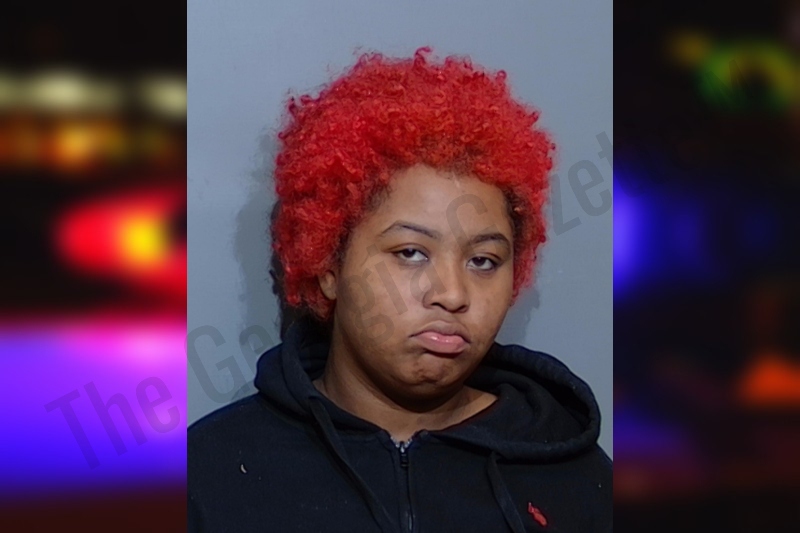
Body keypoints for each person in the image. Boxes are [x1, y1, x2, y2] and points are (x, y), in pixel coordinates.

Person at [188, 47, 612, 533]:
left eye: (483, 261)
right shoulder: (210, 479)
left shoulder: (577, 481)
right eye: (410, 252)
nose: (452, 293)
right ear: (328, 264)